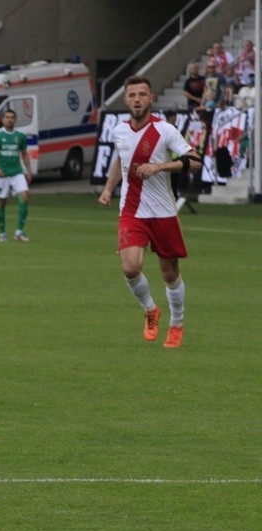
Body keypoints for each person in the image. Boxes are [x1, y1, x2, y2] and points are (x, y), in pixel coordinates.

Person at [97, 76, 201, 349]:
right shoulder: (120, 131)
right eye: (132, 95)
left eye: (142, 94)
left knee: (169, 272)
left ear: (151, 98)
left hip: (163, 212)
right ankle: (150, 309)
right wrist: (108, 188)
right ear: (125, 100)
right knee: (130, 267)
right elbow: (121, 160)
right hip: (132, 210)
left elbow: (195, 161)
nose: (137, 99)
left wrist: (160, 167)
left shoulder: (164, 130)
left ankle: (176, 324)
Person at [0, 108, 32, 242]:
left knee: (24, 196)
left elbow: (24, 153)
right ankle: (2, 234)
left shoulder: (20, 136)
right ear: (3, 120)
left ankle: (19, 232)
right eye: (7, 117)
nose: (9, 119)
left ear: (15, 120)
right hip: (2, 174)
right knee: (1, 204)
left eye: (12, 117)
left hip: (17, 172)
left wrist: (28, 171)